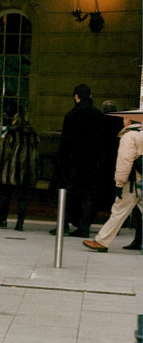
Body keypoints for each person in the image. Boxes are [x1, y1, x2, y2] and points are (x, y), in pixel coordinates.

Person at [51, 84, 105, 238]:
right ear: (90, 96)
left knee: (66, 194)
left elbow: (65, 143)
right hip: (92, 163)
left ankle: (64, 224)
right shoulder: (98, 116)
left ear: (76, 96)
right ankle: (84, 226)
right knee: (87, 196)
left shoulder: (71, 116)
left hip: (72, 163)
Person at [82, 119, 143, 253]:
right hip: (141, 181)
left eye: (125, 119)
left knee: (118, 211)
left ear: (130, 121)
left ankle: (102, 241)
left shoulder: (129, 136)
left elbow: (125, 161)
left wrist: (119, 182)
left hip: (133, 183)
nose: (123, 121)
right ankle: (101, 241)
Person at [0, 110, 39, 231]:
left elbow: (5, 153)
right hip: (27, 170)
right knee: (23, 198)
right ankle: (20, 224)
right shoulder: (33, 133)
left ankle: (3, 220)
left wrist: (1, 169)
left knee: (6, 195)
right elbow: (36, 153)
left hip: (12, 170)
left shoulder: (12, 133)